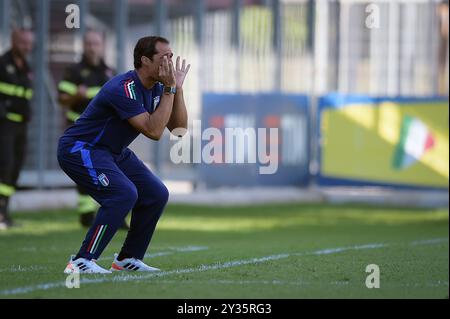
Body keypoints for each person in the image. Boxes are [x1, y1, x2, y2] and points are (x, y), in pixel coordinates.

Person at [58, 36, 190, 273]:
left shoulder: (160, 87)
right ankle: (81, 261)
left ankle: (127, 259)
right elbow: (153, 130)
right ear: (145, 61)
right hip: (81, 148)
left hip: (113, 152)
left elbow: (178, 130)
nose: (170, 63)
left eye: (172, 57)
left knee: (156, 194)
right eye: (164, 58)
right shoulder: (123, 87)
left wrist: (177, 89)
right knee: (122, 194)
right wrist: (170, 89)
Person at [57, 30, 130, 229]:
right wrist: (76, 96)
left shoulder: (109, 72)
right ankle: (86, 214)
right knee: (85, 171)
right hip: (79, 131)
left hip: (105, 132)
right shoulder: (74, 71)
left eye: (96, 43)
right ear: (83, 46)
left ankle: (116, 211)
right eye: (89, 43)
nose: (92, 48)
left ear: (102, 46)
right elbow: (62, 99)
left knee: (111, 170)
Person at [0, 28, 34, 230]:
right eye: (23, 43)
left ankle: (4, 211)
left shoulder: (26, 66)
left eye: (29, 44)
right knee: (5, 165)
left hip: (21, 124)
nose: (27, 47)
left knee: (15, 168)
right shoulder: (3, 64)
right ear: (14, 41)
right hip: (5, 124)